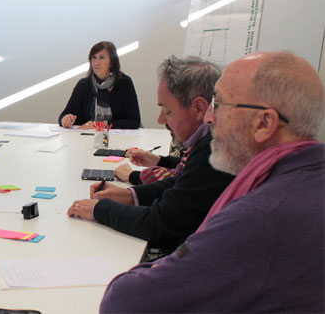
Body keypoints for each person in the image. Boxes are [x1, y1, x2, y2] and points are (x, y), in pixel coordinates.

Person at [101, 51, 324, 312]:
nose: (208, 117)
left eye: (219, 105)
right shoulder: (308, 177)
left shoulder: (261, 217)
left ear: (264, 123)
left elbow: (124, 302)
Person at [68, 56, 234, 251]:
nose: (160, 119)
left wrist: (99, 210)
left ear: (199, 108)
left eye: (167, 110)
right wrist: (129, 195)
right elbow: (179, 184)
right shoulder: (210, 141)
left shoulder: (213, 152)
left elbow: (162, 224)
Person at [58, 41, 141, 130]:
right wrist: (65, 120)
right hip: (86, 138)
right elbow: (64, 115)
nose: (96, 63)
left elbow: (134, 121)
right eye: (94, 58)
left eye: (102, 58)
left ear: (112, 62)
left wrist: (99, 125)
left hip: (117, 138)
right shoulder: (83, 84)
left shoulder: (124, 83)